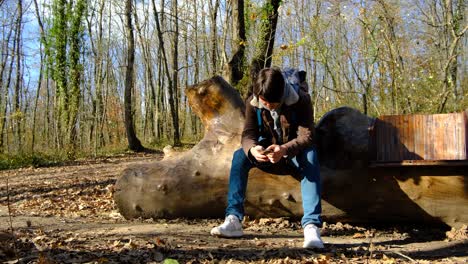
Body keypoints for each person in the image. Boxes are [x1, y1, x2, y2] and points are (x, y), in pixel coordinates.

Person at [210, 67, 324, 249]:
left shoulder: (301, 100)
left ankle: (311, 226)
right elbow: (248, 134)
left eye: (272, 103)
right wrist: (252, 149)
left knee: (310, 156)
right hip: (267, 153)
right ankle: (233, 219)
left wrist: (284, 149)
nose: (267, 106)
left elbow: (307, 136)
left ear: (282, 94)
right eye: (264, 101)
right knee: (240, 156)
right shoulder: (253, 102)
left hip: (293, 153)